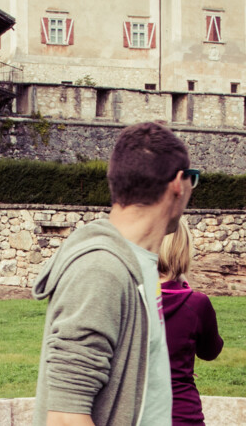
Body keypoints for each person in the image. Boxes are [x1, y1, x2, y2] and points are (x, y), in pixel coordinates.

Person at [33, 121, 198, 426]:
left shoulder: (136, 264)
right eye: (193, 179)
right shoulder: (102, 270)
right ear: (178, 183)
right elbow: (64, 419)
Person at [159, 221, 224, 426]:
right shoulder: (196, 303)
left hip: (135, 413)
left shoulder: (131, 297)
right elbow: (210, 351)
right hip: (181, 415)